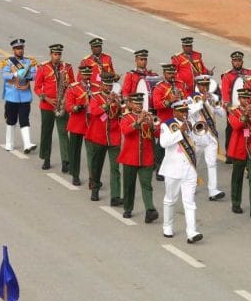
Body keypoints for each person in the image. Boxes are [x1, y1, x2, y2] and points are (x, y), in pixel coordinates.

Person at [159, 99, 203, 243]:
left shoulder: (190, 125)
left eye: (186, 111)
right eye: (182, 111)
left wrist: (194, 133)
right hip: (173, 169)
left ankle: (191, 232)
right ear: (174, 111)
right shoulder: (166, 126)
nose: (185, 114)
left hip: (189, 170)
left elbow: (199, 145)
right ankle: (167, 226)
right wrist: (180, 131)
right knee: (170, 199)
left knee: (189, 202)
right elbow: (164, 143)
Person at [118, 93, 160, 222]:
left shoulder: (149, 116)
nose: (139, 106)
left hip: (146, 157)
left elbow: (158, 134)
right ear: (130, 104)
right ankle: (128, 209)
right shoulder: (125, 117)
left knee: (147, 184)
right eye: (136, 104)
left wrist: (152, 125)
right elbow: (125, 131)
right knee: (129, 185)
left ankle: (150, 210)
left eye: (140, 104)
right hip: (130, 157)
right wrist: (138, 122)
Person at [34, 44, 74, 172]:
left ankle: (65, 161)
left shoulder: (67, 67)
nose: (57, 57)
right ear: (50, 54)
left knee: (63, 132)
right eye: (55, 54)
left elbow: (73, 85)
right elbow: (37, 87)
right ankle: (46, 159)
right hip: (47, 105)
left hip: (62, 104)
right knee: (47, 132)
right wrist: (46, 98)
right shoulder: (43, 67)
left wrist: (67, 89)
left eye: (59, 54)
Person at [227, 88, 251, 216]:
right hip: (239, 149)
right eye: (243, 98)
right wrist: (245, 115)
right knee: (237, 177)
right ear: (239, 99)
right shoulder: (234, 112)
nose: (246, 100)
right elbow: (236, 126)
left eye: (247, 98)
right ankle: (236, 203)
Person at [86, 72, 123, 205]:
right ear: (102, 85)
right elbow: (94, 111)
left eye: (110, 85)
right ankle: (95, 189)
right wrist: (107, 104)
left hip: (114, 136)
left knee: (115, 168)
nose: (108, 88)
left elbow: (122, 113)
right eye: (106, 85)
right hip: (99, 136)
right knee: (97, 164)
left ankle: (115, 196)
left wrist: (118, 102)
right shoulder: (95, 97)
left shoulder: (117, 97)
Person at [189, 74, 226, 201]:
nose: (205, 88)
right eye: (202, 85)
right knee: (194, 163)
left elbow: (222, 113)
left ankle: (213, 191)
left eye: (207, 85)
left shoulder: (214, 96)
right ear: (198, 86)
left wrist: (215, 104)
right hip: (197, 136)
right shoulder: (191, 98)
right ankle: (191, 187)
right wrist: (202, 102)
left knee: (212, 163)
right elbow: (190, 112)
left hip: (211, 135)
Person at [0, 39, 37, 154]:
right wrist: (16, 73)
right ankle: (9, 143)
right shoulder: (8, 62)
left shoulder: (29, 62)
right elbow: (5, 76)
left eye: (21, 48)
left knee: (24, 119)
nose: (20, 50)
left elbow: (35, 74)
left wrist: (27, 80)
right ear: (13, 50)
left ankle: (27, 144)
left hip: (25, 96)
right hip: (12, 96)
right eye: (17, 48)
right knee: (11, 120)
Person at [153, 63, 189, 180]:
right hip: (165, 119)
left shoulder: (180, 84)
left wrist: (182, 100)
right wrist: (170, 100)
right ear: (164, 74)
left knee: (177, 143)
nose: (171, 76)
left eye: (173, 73)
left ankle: (177, 167)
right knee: (162, 145)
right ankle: (159, 168)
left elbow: (187, 100)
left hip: (178, 118)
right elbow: (156, 105)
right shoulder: (159, 87)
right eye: (169, 73)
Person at [65, 66, 98, 187]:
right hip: (77, 124)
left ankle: (92, 177)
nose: (87, 77)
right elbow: (69, 106)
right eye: (85, 75)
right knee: (74, 151)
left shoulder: (95, 88)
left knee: (92, 152)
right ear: (80, 75)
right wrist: (79, 106)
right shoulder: (74, 88)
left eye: (89, 75)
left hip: (90, 124)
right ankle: (75, 174)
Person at [221, 51, 251, 163]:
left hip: (246, 106)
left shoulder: (249, 73)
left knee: (246, 128)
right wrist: (228, 106)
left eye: (239, 61)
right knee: (231, 130)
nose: (237, 63)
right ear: (232, 62)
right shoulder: (227, 76)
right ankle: (229, 153)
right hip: (233, 108)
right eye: (235, 61)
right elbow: (225, 93)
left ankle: (245, 151)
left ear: (242, 61)